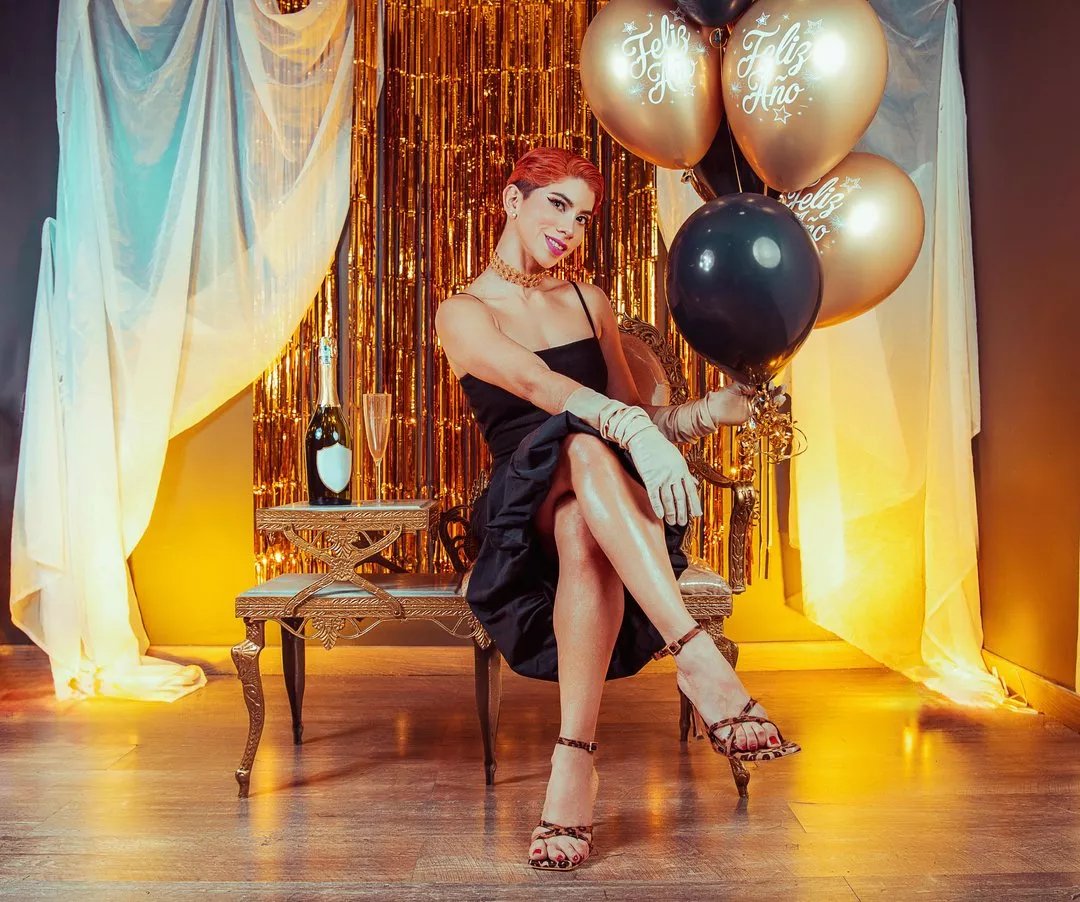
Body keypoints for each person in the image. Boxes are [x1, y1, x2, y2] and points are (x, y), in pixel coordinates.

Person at [434, 147, 800, 873]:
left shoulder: (588, 301)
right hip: (522, 506)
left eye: (582, 216)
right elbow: (537, 386)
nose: (569, 228)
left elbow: (637, 414)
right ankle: (694, 654)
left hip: (599, 505)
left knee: (583, 515)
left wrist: (706, 413)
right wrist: (626, 428)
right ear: (512, 200)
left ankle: (572, 762)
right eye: (557, 205)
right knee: (578, 444)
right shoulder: (463, 311)